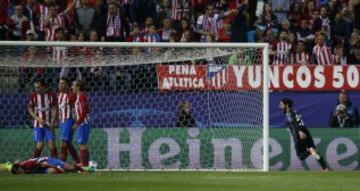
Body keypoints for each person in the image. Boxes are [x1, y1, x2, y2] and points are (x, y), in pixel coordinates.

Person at [279, 98, 329, 171]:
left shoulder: (289, 113)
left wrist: (299, 132)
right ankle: (324, 168)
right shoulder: (295, 112)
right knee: (314, 150)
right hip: (305, 131)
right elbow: (297, 122)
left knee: (301, 156)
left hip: (298, 134)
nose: (280, 106)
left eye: (281, 105)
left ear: (287, 105)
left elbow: (294, 123)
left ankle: (310, 151)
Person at [28, 79, 58, 158]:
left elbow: (55, 109)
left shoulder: (51, 96)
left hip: (49, 125)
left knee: (51, 143)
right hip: (38, 125)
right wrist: (38, 118)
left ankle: (55, 163)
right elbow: (30, 110)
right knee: (40, 145)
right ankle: (34, 162)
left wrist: (52, 122)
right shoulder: (33, 96)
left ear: (44, 87)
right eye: (36, 87)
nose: (36, 89)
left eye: (38, 87)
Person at [58, 78, 81, 163]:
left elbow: (75, 109)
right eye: (60, 83)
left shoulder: (71, 95)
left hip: (68, 120)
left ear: (67, 85)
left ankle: (61, 163)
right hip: (62, 121)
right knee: (67, 143)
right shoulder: (59, 95)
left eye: (63, 83)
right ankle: (78, 162)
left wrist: (76, 122)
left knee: (63, 142)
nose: (61, 85)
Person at [72, 79, 91, 167]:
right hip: (82, 123)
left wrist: (77, 123)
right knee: (82, 144)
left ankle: (85, 165)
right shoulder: (79, 96)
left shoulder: (82, 96)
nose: (72, 87)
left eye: (73, 85)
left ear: (78, 87)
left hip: (83, 123)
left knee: (82, 144)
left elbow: (84, 111)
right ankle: (84, 164)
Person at [0, 157, 93, 174]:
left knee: (67, 167)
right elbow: (17, 162)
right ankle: (74, 170)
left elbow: (44, 164)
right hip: (40, 169)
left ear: (20, 168)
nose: (21, 174)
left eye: (20, 172)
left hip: (48, 160)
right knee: (51, 172)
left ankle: (86, 168)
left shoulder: (29, 165)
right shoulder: (18, 167)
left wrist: (57, 168)